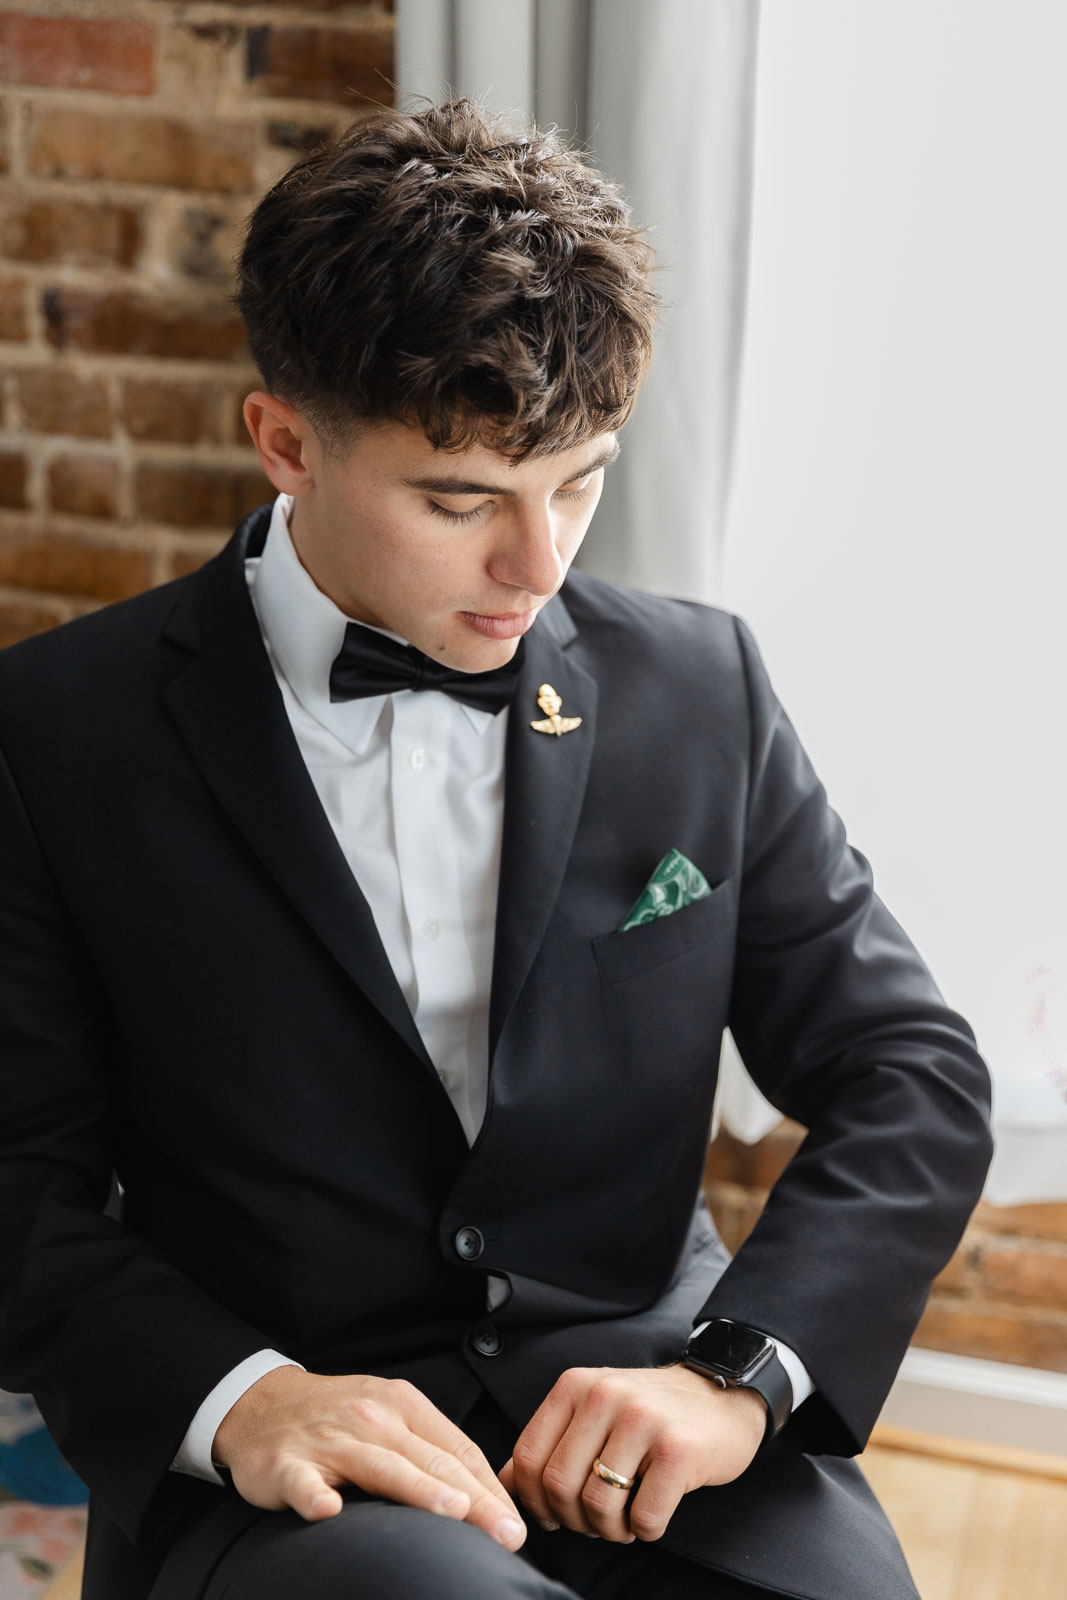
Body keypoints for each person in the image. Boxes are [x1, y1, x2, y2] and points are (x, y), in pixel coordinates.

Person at [0, 99, 992, 1600]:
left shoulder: (698, 688)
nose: (539, 567)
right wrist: (236, 1397)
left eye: (578, 482)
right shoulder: (54, 730)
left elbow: (909, 1069)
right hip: (298, 1451)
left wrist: (738, 1378)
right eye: (461, 501)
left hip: (654, 1392)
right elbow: (18, 1183)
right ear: (284, 441)